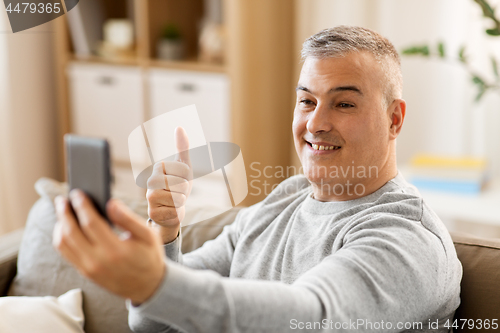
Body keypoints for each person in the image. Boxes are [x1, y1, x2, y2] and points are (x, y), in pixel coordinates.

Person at [53, 26, 462, 332]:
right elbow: (157, 320)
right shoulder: (288, 198)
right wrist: (163, 235)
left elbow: (311, 316)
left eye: (344, 103)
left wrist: (155, 282)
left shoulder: (407, 239)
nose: (315, 124)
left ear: (394, 120)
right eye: (307, 101)